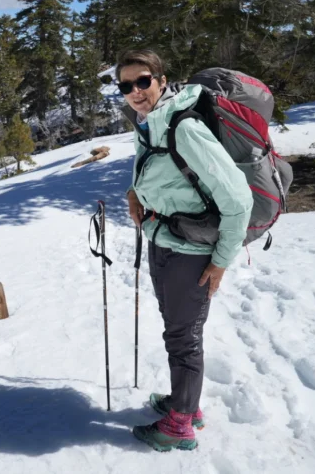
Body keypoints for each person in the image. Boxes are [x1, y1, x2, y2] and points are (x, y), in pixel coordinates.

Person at [116, 49, 253, 453]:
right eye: (127, 86)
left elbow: (239, 200)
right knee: (179, 330)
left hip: (190, 251)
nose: (136, 91)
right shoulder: (150, 124)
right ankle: (185, 405)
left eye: (143, 81)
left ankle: (179, 426)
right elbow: (164, 172)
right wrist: (134, 192)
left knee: (183, 337)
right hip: (165, 240)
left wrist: (221, 262)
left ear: (161, 79)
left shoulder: (183, 126)